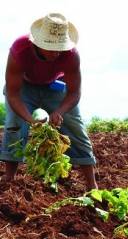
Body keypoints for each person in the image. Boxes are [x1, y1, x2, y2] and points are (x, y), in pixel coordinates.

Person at [0, 13, 98, 189]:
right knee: (14, 124)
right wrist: (29, 120)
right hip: (25, 86)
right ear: (38, 43)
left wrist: (59, 112)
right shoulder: (20, 50)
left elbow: (74, 93)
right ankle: (9, 180)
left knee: (75, 125)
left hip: (54, 87)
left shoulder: (71, 55)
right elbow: (13, 93)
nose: (57, 52)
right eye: (52, 48)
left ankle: (92, 185)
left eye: (60, 47)